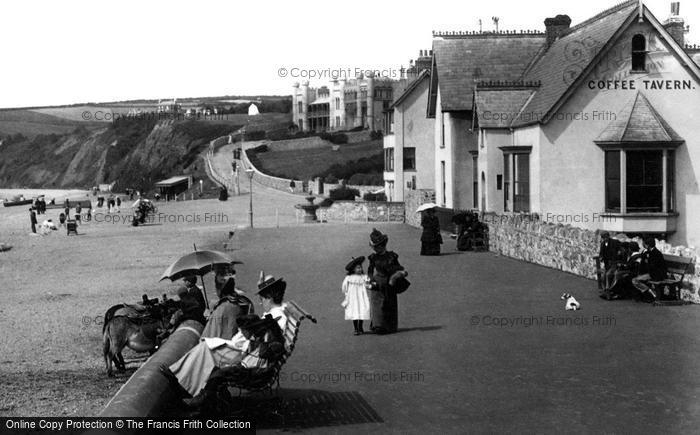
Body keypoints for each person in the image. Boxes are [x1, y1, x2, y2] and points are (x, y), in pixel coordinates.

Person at [162, 272, 287, 400]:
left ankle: (186, 383)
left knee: (205, 347)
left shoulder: (275, 317)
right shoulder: (278, 315)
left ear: (269, 298)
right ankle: (185, 380)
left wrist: (247, 334)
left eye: (262, 299)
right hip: (250, 354)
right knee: (207, 347)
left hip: (248, 358)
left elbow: (264, 343)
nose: (261, 303)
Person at [367, 228, 407, 334]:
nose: (375, 249)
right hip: (377, 283)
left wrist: (398, 275)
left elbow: (399, 268)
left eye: (377, 247)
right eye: (374, 247)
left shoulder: (392, 256)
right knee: (377, 305)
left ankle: (389, 326)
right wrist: (371, 280)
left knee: (389, 304)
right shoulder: (373, 258)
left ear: (383, 245)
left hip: (390, 282)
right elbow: (370, 271)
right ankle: (378, 325)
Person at [631, 236, 667, 302]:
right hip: (651, 273)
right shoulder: (648, 252)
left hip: (656, 274)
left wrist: (647, 263)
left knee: (635, 280)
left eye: (646, 244)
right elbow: (644, 262)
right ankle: (649, 292)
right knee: (636, 278)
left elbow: (653, 266)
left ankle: (650, 291)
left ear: (648, 245)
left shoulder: (656, 253)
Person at [341, 256, 371, 335]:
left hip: (362, 296)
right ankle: (355, 328)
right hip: (353, 297)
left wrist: (370, 285)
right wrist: (346, 294)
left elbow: (367, 284)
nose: (360, 269)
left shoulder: (363, 277)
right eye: (358, 268)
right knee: (354, 312)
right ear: (353, 269)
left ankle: (360, 327)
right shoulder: (349, 278)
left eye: (360, 267)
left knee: (361, 310)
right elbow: (344, 286)